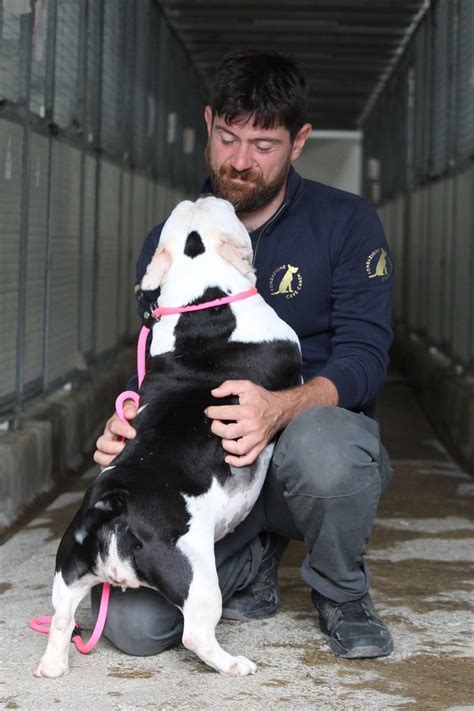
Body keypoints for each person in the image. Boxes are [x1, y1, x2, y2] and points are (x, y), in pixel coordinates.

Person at [94, 48, 394, 660]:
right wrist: (130, 421)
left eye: (264, 144)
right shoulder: (172, 236)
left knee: (327, 451)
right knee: (135, 627)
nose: (239, 160)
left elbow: (366, 358)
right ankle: (251, 560)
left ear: (299, 141)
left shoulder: (347, 222)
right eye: (228, 137)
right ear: (208, 124)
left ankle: (340, 590)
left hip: (305, 449)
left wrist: (281, 407)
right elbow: (160, 361)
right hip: (207, 471)